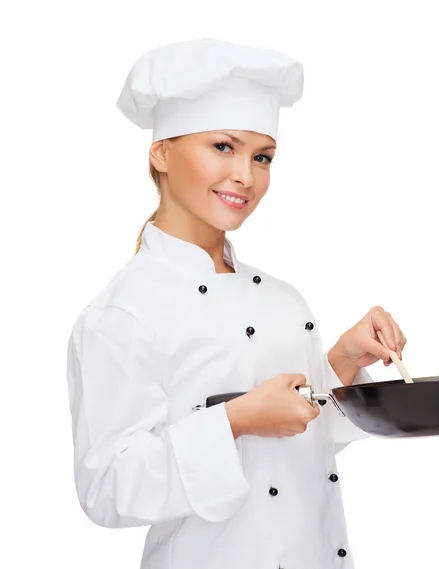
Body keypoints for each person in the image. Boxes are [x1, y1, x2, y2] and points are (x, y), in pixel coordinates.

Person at [65, 38, 407, 569]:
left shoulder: (283, 300)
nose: (246, 176)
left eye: (262, 156)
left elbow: (299, 441)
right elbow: (107, 488)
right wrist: (235, 420)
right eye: (223, 147)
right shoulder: (123, 313)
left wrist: (342, 360)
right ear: (161, 152)